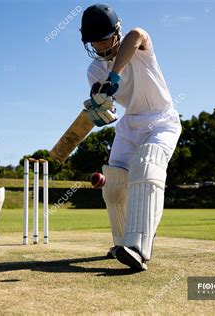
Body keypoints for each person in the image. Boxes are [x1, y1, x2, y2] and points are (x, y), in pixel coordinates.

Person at [80, 4, 181, 271]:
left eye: (103, 39)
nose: (100, 48)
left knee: (146, 166)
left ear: (116, 31)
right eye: (94, 43)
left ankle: (139, 247)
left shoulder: (136, 46)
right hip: (128, 125)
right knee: (113, 185)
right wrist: (100, 108)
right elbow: (109, 110)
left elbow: (137, 34)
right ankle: (122, 244)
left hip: (161, 120)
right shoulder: (94, 70)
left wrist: (115, 74)